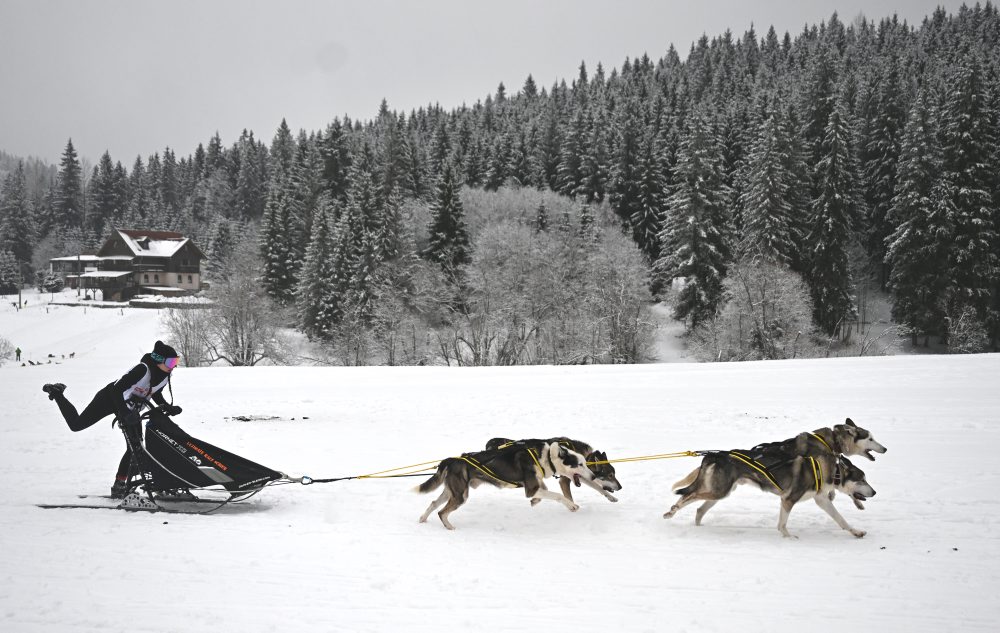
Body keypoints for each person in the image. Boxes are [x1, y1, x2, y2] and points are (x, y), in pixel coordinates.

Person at [43, 340, 183, 498]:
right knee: (76, 425)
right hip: (109, 399)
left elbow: (155, 393)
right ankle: (57, 393)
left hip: (131, 407)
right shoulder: (142, 370)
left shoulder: (165, 376)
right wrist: (124, 413)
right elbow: (116, 390)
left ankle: (120, 485)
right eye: (171, 362)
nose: (174, 366)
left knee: (136, 447)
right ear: (159, 360)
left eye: (176, 361)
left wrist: (167, 406)